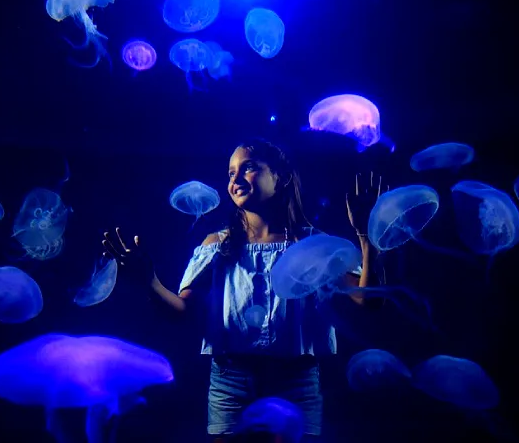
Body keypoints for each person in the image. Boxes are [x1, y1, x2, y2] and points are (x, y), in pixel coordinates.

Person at [103, 138, 384, 442]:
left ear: (282, 176)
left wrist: (367, 237)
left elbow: (367, 301)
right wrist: (150, 282)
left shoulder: (313, 244)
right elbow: (182, 311)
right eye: (230, 173)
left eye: (248, 168)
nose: (235, 179)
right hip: (230, 380)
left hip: (296, 379)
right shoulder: (216, 244)